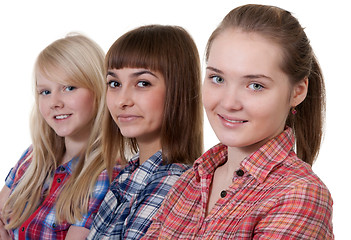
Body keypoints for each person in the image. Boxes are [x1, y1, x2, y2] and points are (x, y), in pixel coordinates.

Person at [143, 4, 334, 239]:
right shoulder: (188, 182)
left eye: (255, 85)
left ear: (298, 91)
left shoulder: (299, 194)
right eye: (217, 78)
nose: (229, 102)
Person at [87, 24, 203, 239]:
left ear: (179, 90)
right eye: (114, 83)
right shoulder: (128, 174)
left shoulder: (172, 184)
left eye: (142, 83)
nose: (122, 100)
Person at [0, 34, 121, 239]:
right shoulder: (32, 158)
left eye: (69, 88)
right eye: (45, 92)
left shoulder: (106, 174)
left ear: (99, 89)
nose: (54, 102)